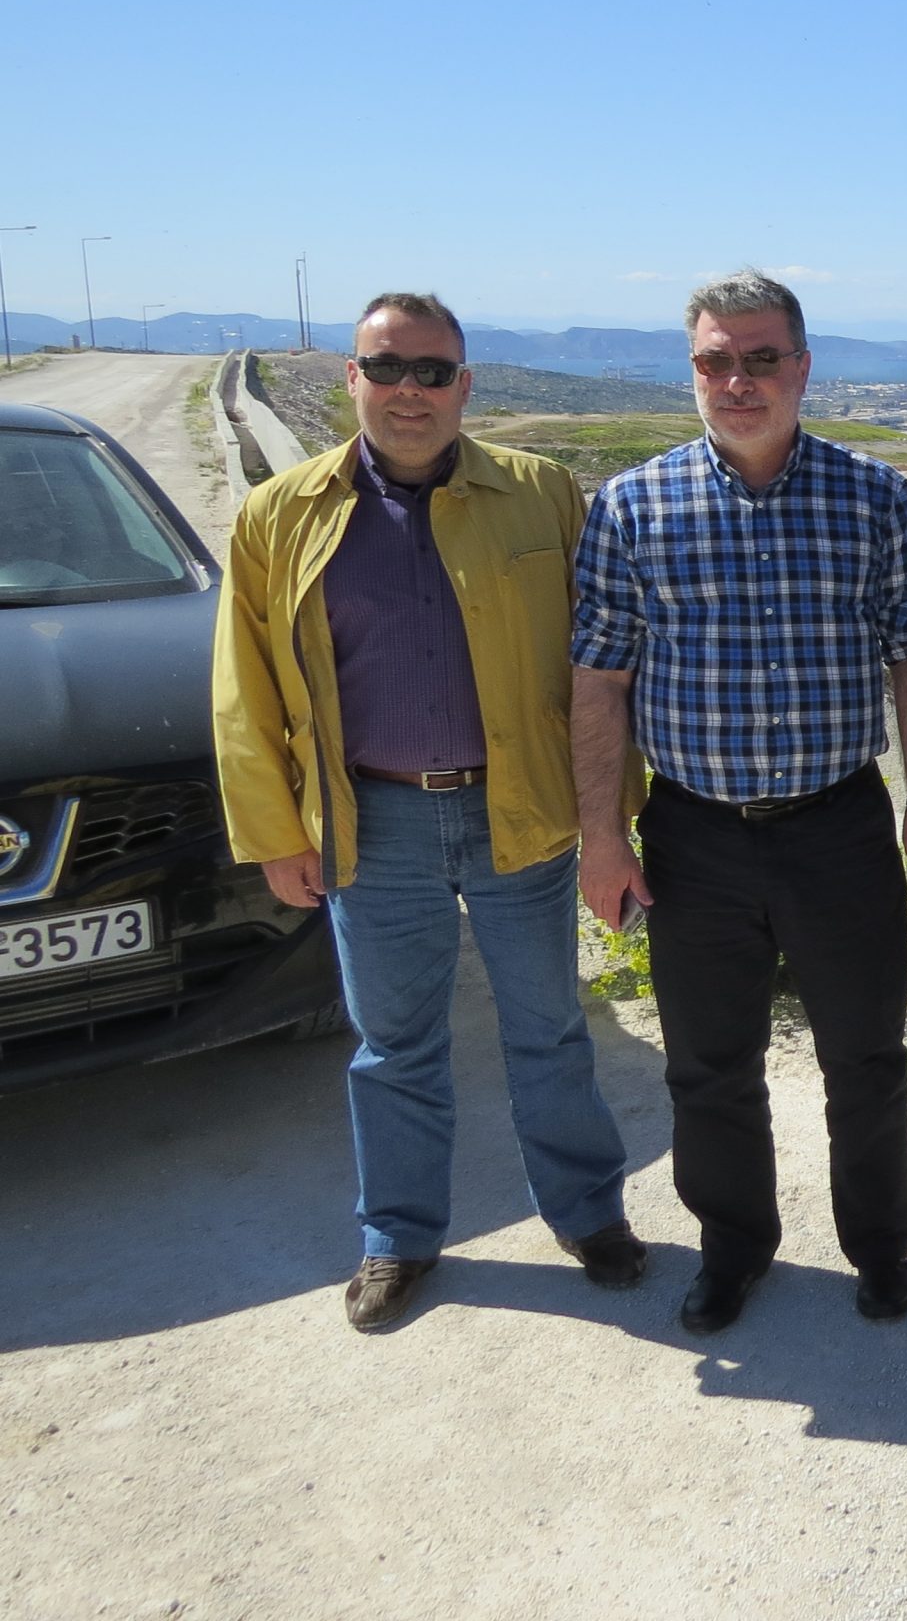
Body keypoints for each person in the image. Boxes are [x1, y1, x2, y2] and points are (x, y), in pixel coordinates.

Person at [213, 291, 639, 1332]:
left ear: (465, 385)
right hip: (373, 822)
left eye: (433, 372)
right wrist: (275, 835)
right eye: (387, 368)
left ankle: (588, 1213)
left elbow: (602, 669)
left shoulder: (541, 492)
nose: (411, 391)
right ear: (351, 378)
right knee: (393, 1045)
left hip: (520, 811)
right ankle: (397, 1238)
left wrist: (611, 822)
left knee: (550, 1030)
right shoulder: (280, 514)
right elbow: (244, 688)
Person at [570, 269, 907, 1335]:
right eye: (715, 360)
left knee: (866, 1058)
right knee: (708, 1068)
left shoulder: (874, 496)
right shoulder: (632, 506)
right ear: (691, 369)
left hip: (838, 826)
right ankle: (734, 1249)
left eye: (761, 358)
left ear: (802, 367)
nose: (737, 380)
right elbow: (598, 680)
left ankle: (881, 1250)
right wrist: (602, 835)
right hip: (692, 835)